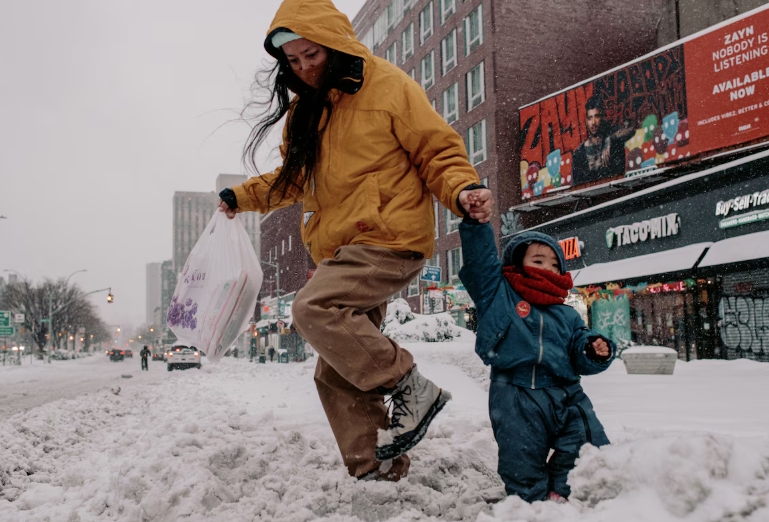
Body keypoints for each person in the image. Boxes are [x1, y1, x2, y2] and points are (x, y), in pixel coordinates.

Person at [217, 0, 492, 482]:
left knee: (313, 307)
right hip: (342, 251)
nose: (304, 68)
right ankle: (378, 471)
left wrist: (462, 189)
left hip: (389, 235)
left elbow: (436, 149)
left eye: (311, 55)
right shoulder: (304, 113)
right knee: (337, 369)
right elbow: (293, 180)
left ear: (334, 44)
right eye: (293, 61)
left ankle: (409, 384)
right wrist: (241, 197)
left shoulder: (388, 86)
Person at [458, 190, 615, 503]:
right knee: (522, 463)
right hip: (515, 396)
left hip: (566, 393)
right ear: (519, 264)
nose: (547, 268)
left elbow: (579, 350)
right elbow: (480, 260)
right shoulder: (498, 294)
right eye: (538, 260)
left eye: (554, 264)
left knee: (589, 447)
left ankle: (562, 494)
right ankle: (532, 507)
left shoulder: (567, 314)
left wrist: (592, 350)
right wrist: (476, 224)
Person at [572, 95, 635, 186]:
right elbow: (576, 186)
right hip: (593, 193)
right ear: (586, 121)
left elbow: (631, 129)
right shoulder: (579, 153)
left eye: (596, 116)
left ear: (602, 117)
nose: (593, 122)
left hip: (616, 189)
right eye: (590, 118)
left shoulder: (613, 142)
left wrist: (610, 139)